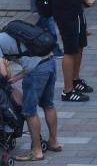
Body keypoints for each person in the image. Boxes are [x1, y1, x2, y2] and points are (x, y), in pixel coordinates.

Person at [0, 24, 59, 161]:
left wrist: (8, 73)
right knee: (48, 105)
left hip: (37, 70)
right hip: (50, 62)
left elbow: (3, 74)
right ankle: (54, 142)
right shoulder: (7, 35)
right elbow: (29, 59)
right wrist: (15, 78)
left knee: (29, 111)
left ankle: (36, 151)